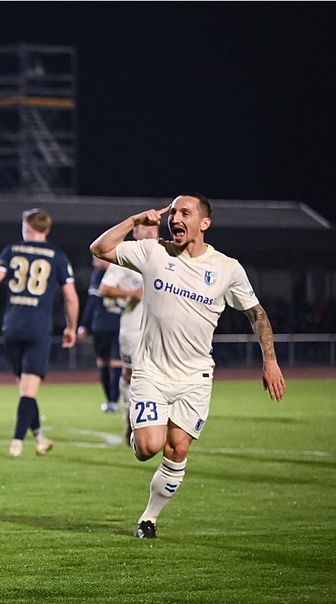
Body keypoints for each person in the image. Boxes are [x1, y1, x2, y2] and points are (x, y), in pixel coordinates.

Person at [90, 193, 286, 539]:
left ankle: (149, 519)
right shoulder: (154, 252)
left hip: (195, 377)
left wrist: (270, 360)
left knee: (177, 448)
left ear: (204, 223)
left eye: (185, 212)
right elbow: (100, 249)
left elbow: (257, 314)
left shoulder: (227, 268)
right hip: (151, 371)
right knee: (147, 448)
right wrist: (135, 221)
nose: (175, 218)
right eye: (173, 212)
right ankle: (137, 428)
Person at [0, 208, 79, 458]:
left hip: (12, 326)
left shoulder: (11, 250)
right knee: (29, 391)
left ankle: (39, 438)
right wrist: (71, 327)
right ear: (47, 229)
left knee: (25, 388)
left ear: (27, 227)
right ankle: (17, 442)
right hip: (38, 327)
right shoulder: (57, 255)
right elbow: (70, 297)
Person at [99, 222, 160, 442]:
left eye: (155, 227)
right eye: (146, 227)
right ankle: (130, 417)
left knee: (160, 375)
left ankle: (156, 421)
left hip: (161, 329)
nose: (151, 231)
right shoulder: (125, 257)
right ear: (135, 233)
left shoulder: (166, 255)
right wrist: (131, 293)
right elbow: (104, 289)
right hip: (133, 328)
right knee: (130, 374)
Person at [78, 257, 125, 413]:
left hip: (104, 324)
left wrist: (84, 324)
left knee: (108, 363)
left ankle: (111, 400)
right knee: (113, 363)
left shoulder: (100, 274)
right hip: (118, 323)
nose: (94, 263)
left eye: (97, 259)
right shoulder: (123, 271)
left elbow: (92, 302)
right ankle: (113, 400)